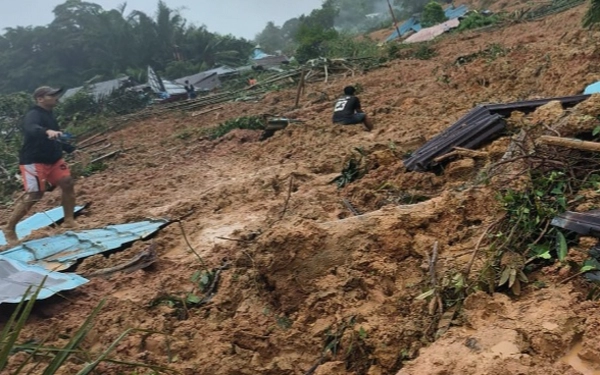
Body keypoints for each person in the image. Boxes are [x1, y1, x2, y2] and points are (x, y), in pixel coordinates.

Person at [2, 86, 77, 246]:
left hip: (54, 158)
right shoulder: (33, 114)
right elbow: (31, 129)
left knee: (68, 183)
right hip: (34, 160)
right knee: (36, 194)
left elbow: (55, 137)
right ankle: (9, 228)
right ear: (40, 99)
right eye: (52, 95)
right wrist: (47, 131)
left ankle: (69, 220)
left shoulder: (50, 115)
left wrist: (68, 147)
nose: (57, 97)